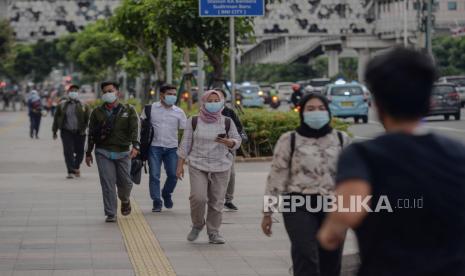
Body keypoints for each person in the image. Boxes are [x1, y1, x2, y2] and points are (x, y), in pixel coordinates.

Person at [318, 48, 465, 276]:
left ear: (377, 103)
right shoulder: (458, 153)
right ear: (428, 101)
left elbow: (344, 218)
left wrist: (329, 232)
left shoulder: (363, 155)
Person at [261, 93, 350, 276]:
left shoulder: (342, 139)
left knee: (331, 258)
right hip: (298, 204)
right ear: (302, 113)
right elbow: (276, 176)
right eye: (310, 109)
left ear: (328, 112)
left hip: (333, 206)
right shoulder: (289, 140)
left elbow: (352, 177)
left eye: (321, 108)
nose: (316, 112)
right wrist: (268, 212)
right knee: (305, 253)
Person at [177, 90, 242, 244]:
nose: (213, 103)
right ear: (203, 102)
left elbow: (237, 139)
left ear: (221, 102)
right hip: (197, 164)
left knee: (217, 201)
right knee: (197, 198)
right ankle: (198, 224)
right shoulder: (193, 121)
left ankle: (213, 232)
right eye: (210, 100)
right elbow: (185, 144)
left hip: (221, 165)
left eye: (216, 100)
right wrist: (179, 165)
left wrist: (230, 142)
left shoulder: (227, 121)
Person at [85, 81, 140, 223]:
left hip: (123, 152)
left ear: (117, 92)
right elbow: (91, 132)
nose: (107, 94)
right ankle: (110, 213)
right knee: (108, 183)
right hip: (103, 152)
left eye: (110, 91)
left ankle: (125, 199)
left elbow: (135, 129)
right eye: (104, 92)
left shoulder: (128, 109)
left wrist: (136, 146)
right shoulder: (97, 112)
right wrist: (88, 152)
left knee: (126, 183)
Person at [140, 84, 187, 212]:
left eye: (174, 94)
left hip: (172, 148)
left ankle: (166, 193)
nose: (172, 96)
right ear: (161, 95)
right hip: (154, 147)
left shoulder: (179, 112)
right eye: (169, 94)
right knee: (154, 175)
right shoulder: (150, 109)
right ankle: (156, 201)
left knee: (173, 174)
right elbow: (141, 127)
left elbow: (186, 132)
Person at [215, 88, 245, 211]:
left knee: (231, 174)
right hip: (210, 149)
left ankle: (228, 199)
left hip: (228, 147)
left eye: (219, 98)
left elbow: (239, 129)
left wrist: (230, 140)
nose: (215, 101)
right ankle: (214, 198)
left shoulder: (230, 112)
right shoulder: (204, 113)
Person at [52, 84, 90, 179]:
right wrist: (54, 131)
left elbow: (88, 119)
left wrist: (90, 130)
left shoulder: (84, 105)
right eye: (72, 91)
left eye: (75, 91)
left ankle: (76, 167)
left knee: (80, 151)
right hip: (66, 131)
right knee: (68, 152)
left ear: (78, 93)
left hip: (80, 132)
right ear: (68, 93)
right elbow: (57, 118)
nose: (73, 92)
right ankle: (70, 171)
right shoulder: (62, 105)